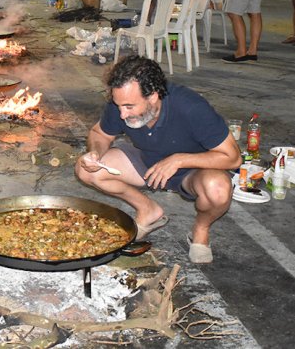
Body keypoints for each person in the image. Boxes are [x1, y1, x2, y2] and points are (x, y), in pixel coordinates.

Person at [75, 55, 240, 264]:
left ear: (153, 96)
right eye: (119, 106)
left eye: (129, 107)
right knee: (86, 169)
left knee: (217, 189)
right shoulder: (121, 103)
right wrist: (95, 153)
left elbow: (233, 157)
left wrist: (179, 160)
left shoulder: (191, 107)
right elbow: (100, 134)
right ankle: (148, 210)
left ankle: (201, 229)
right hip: (147, 160)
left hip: (193, 171)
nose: (122, 114)